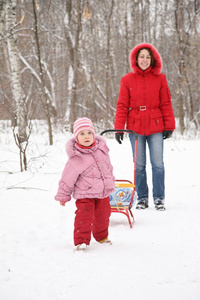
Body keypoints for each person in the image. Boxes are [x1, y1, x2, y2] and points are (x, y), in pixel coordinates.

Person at [114, 43, 175, 211]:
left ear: (153, 59)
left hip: (156, 125)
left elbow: (166, 103)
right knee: (139, 165)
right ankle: (141, 198)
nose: (145, 60)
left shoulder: (160, 78)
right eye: (142, 56)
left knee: (157, 164)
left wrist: (169, 125)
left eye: (148, 57)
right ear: (136, 58)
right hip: (135, 127)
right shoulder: (127, 80)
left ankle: (159, 198)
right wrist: (119, 128)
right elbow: (122, 105)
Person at [55, 117, 115, 250]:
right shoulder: (76, 157)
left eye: (89, 133)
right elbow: (67, 178)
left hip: (102, 193)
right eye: (82, 134)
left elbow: (108, 169)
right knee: (84, 217)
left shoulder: (102, 150)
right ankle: (81, 241)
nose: (86, 136)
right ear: (76, 137)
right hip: (84, 194)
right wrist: (63, 196)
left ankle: (102, 237)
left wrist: (110, 183)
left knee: (103, 216)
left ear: (94, 135)